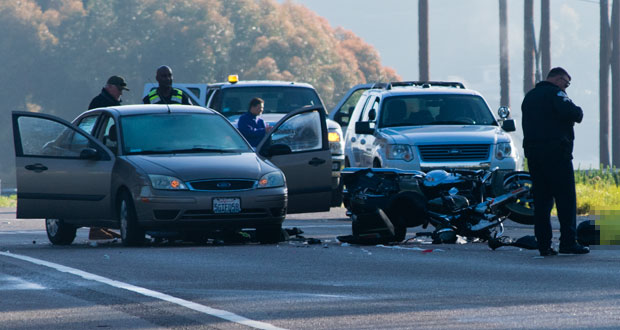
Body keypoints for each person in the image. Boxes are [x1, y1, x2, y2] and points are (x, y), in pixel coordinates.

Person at [521, 67, 589, 256]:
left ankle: (544, 245)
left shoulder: (530, 96)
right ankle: (568, 242)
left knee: (542, 202)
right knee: (566, 200)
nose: (566, 88)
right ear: (558, 80)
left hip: (534, 155)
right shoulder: (556, 93)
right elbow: (574, 113)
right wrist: (577, 110)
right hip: (556, 154)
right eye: (566, 83)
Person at [87, 76, 128, 240]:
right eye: (119, 90)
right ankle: (96, 228)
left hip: (109, 151)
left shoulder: (112, 103)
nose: (120, 94)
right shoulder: (100, 102)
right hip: (101, 152)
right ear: (110, 87)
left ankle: (101, 226)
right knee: (100, 189)